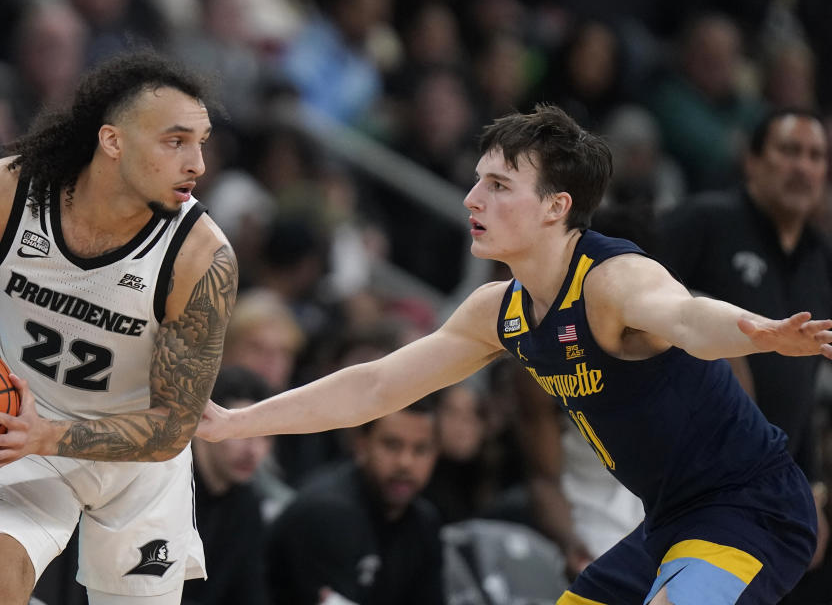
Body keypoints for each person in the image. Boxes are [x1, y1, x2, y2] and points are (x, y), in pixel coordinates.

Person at [199, 104, 832, 605]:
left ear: (557, 207)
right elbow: (376, 388)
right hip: (671, 519)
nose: (473, 199)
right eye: (478, 180)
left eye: (499, 185)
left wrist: (758, 329)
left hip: (755, 506)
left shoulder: (614, 281)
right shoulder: (497, 311)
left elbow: (688, 318)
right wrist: (237, 422)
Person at [0, 50, 237, 604]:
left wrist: (50, 435)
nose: (197, 164)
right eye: (175, 141)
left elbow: (172, 428)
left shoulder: (200, 256)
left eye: (201, 142)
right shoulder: (6, 192)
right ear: (113, 141)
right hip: (16, 431)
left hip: (136, 465)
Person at [656, 107, 832, 597]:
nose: (803, 166)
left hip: (768, 474)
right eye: (789, 150)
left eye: (816, 156)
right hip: (689, 465)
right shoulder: (704, 221)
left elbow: (804, 392)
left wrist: (812, 490)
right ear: (753, 161)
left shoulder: (823, 258)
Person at [265, 398, 443, 605]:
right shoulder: (327, 512)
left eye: (420, 450)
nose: (405, 463)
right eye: (392, 445)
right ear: (362, 445)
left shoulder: (424, 522)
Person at [182, 367, 273, 605]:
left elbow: (250, 593)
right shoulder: (164, 487)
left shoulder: (247, 503)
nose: (253, 450)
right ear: (205, 421)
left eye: (266, 436)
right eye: (242, 432)